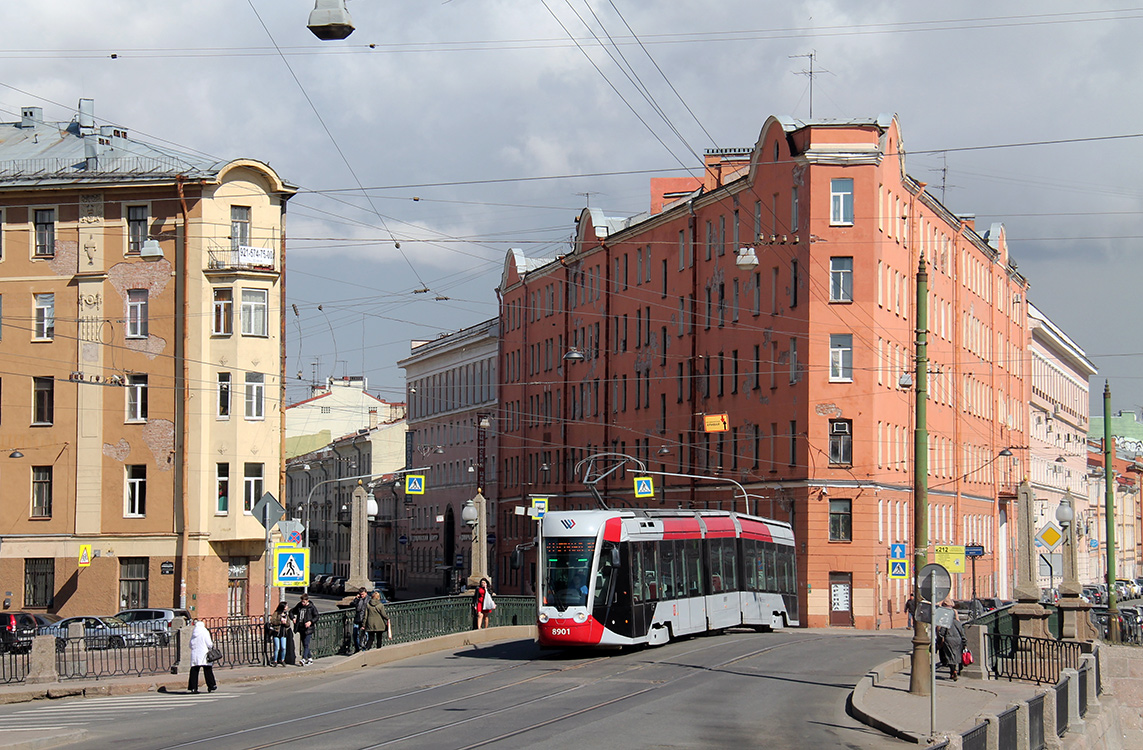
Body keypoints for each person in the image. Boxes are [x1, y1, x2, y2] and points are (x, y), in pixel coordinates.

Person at [188, 619, 217, 694]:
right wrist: (211, 647)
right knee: (208, 670)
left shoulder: (194, 633)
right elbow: (209, 643)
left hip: (195, 654)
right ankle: (211, 686)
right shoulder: (205, 632)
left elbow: (190, 645)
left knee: (194, 671)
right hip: (204, 654)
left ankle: (193, 687)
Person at [936, 613, 967, 681]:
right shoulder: (958, 623)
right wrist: (964, 642)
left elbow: (941, 633)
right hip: (958, 640)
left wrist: (940, 639)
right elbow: (962, 633)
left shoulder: (946, 623)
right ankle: (954, 670)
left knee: (950, 656)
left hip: (949, 640)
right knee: (956, 656)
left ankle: (953, 671)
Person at [291, 593, 319, 665]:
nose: (302, 603)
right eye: (302, 601)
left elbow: (316, 616)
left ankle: (303, 658)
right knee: (304, 644)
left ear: (307, 600)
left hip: (308, 628)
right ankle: (310, 658)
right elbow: (291, 611)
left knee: (306, 643)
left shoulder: (311, 607)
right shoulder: (299, 606)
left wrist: (310, 622)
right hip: (301, 627)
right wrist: (293, 618)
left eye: (304, 602)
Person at [268, 602, 290, 666]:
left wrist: (285, 623)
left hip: (283, 632)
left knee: (283, 647)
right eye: (286, 606)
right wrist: (280, 621)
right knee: (277, 647)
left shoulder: (286, 614)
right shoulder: (276, 613)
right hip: (276, 632)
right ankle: (275, 660)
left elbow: (288, 624)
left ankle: (282, 660)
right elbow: (272, 621)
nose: (287, 607)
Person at [352, 587, 369, 652]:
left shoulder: (368, 600)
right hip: (357, 619)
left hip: (365, 619)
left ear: (366, 593)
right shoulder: (359, 599)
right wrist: (356, 599)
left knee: (364, 635)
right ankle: (357, 648)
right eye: (361, 594)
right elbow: (353, 604)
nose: (362, 596)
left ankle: (364, 647)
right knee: (355, 634)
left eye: (363, 594)